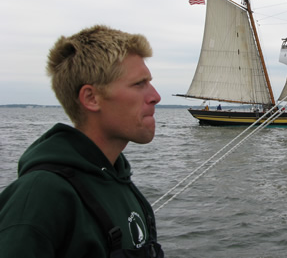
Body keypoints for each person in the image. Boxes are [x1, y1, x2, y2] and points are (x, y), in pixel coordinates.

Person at [0, 25, 164, 257]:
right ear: (91, 98)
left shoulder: (120, 183)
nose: (155, 96)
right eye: (139, 84)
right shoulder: (40, 196)